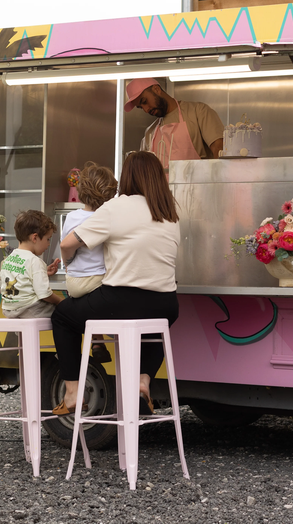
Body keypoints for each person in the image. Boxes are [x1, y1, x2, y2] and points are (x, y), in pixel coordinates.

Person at [50, 150, 180, 416]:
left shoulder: (116, 207)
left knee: (63, 316)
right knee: (151, 331)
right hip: (167, 305)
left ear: (127, 176)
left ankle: (73, 392)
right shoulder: (169, 211)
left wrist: (67, 261)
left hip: (123, 300)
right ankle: (143, 382)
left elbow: (67, 243)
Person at [61, 161, 118, 362]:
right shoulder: (107, 218)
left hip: (74, 282)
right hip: (97, 281)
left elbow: (66, 248)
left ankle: (96, 339)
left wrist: (68, 266)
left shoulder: (70, 217)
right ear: (111, 193)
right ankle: (100, 340)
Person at [124, 77, 224, 172]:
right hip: (161, 190)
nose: (146, 110)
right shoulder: (150, 133)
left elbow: (219, 149)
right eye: (141, 107)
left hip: (197, 189)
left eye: (144, 101)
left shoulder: (198, 112)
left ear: (156, 89)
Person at [0, 210, 62, 319]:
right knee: (65, 312)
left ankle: (25, 337)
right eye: (48, 239)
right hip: (30, 310)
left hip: (9, 310)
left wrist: (44, 272)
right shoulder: (35, 261)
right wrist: (60, 301)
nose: (48, 244)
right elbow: (44, 294)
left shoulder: (8, 260)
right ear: (35, 238)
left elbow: (22, 277)